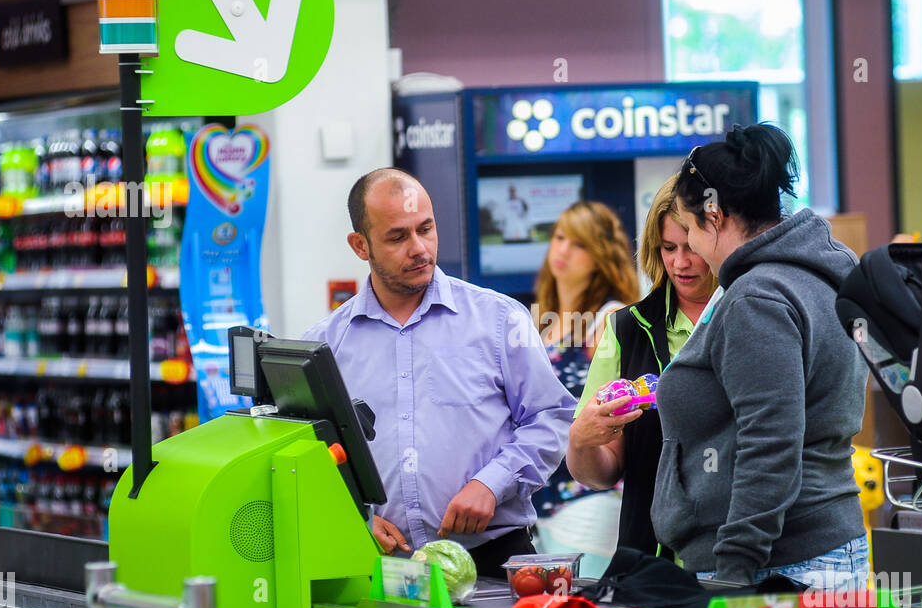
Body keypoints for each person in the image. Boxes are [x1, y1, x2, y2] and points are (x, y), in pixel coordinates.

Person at [302, 168, 575, 577]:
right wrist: (354, 514)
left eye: (425, 229)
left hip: (493, 557)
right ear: (360, 246)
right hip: (382, 566)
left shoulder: (498, 319)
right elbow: (310, 455)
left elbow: (550, 417)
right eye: (397, 237)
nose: (419, 248)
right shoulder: (325, 345)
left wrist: (492, 483)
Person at [650, 124, 870, 590]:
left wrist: (735, 568)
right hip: (813, 548)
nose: (688, 250)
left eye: (689, 232)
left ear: (714, 214)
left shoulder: (758, 299)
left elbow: (770, 443)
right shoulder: (812, 276)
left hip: (776, 565)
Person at [567, 175, 717, 559]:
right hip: (649, 561)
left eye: (692, 248)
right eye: (668, 247)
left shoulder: (752, 316)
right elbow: (601, 472)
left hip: (739, 556)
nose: (680, 263)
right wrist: (582, 442)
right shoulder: (624, 329)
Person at [529, 201, 639, 566]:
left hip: (587, 501)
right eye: (560, 237)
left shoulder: (608, 318)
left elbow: (622, 412)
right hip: (540, 505)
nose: (563, 250)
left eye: (579, 244)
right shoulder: (541, 321)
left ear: (600, 257)